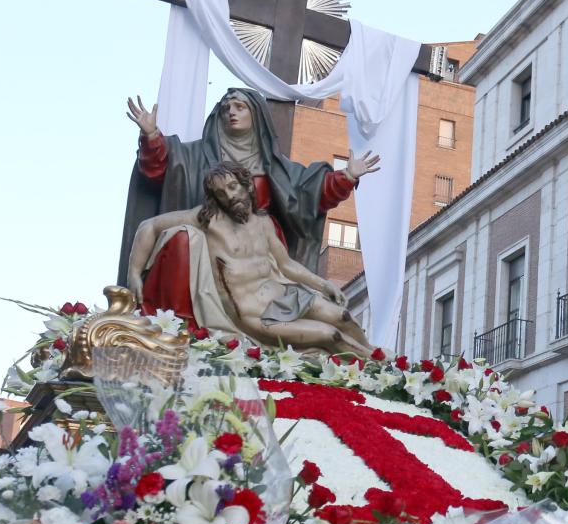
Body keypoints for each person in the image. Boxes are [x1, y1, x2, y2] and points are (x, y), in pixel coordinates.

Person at [120, 88, 380, 308]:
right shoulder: (195, 156)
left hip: (260, 246)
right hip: (211, 238)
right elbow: (162, 169)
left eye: (239, 107)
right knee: (182, 240)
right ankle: (181, 326)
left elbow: (311, 192)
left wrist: (347, 175)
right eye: (226, 108)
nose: (231, 112)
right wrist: (152, 136)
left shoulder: (273, 167)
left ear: (255, 115)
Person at [127, 161, 374, 355]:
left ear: (246, 184)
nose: (230, 196)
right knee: (330, 335)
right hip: (255, 315)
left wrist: (324, 284)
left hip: (286, 296)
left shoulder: (264, 223)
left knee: (344, 317)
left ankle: (377, 357)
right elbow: (149, 226)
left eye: (232, 186)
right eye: (221, 193)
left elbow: (287, 265)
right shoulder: (208, 220)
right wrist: (134, 273)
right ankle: (376, 369)